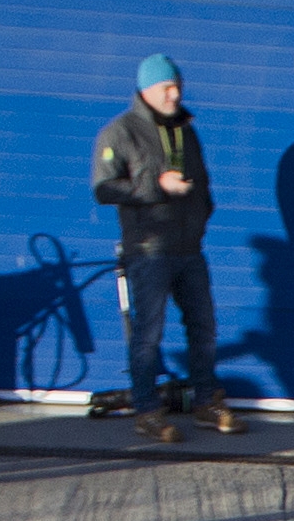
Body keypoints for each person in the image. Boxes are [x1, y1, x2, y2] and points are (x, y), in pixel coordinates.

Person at [93, 52, 241, 441]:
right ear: (146, 90)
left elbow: (203, 184)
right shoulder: (120, 132)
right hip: (149, 251)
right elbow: (104, 188)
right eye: (167, 88)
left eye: (178, 86)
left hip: (189, 249)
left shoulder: (186, 131)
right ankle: (147, 410)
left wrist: (200, 219)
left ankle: (206, 402)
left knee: (204, 328)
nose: (175, 95)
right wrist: (155, 187)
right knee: (148, 334)